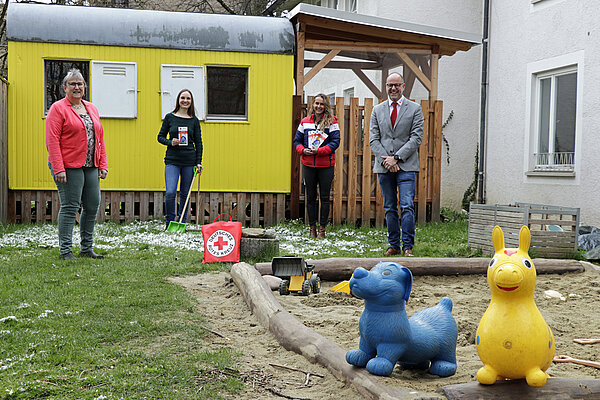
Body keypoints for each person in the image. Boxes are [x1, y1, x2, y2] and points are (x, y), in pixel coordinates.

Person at [45, 68, 108, 260]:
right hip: (68, 165)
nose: (77, 87)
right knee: (70, 206)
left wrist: (103, 163)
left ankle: (86, 248)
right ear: (65, 87)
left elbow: (100, 137)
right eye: (72, 84)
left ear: (84, 87)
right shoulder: (58, 108)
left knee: (93, 204)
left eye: (80, 84)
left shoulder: (91, 107)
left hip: (91, 165)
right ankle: (66, 251)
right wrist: (59, 168)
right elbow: (52, 140)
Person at [369, 72, 424, 256]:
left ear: (403, 86)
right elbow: (373, 140)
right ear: (386, 87)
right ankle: (394, 245)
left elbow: (416, 138)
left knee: (407, 205)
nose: (393, 88)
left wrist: (397, 158)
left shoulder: (415, 109)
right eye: (389, 85)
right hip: (384, 167)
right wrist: (387, 160)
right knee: (390, 206)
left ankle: (408, 246)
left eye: (397, 85)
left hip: (406, 166)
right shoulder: (377, 110)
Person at [293, 94, 340, 238]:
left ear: (326, 106)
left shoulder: (332, 122)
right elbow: (297, 141)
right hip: (308, 165)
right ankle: (312, 228)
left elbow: (335, 142)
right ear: (312, 105)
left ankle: (322, 229)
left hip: (326, 165)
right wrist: (303, 150)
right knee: (310, 198)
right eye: (316, 103)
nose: (318, 106)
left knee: (325, 198)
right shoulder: (305, 122)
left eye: (321, 104)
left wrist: (319, 151)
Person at [157, 89, 203, 229]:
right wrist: (171, 142)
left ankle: (181, 222)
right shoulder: (170, 117)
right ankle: (170, 222)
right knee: (170, 192)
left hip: (189, 160)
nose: (185, 100)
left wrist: (199, 162)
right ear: (178, 100)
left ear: (191, 101)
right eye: (183, 98)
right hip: (172, 160)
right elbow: (160, 137)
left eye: (188, 98)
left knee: (185, 193)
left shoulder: (194, 121)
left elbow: (199, 143)